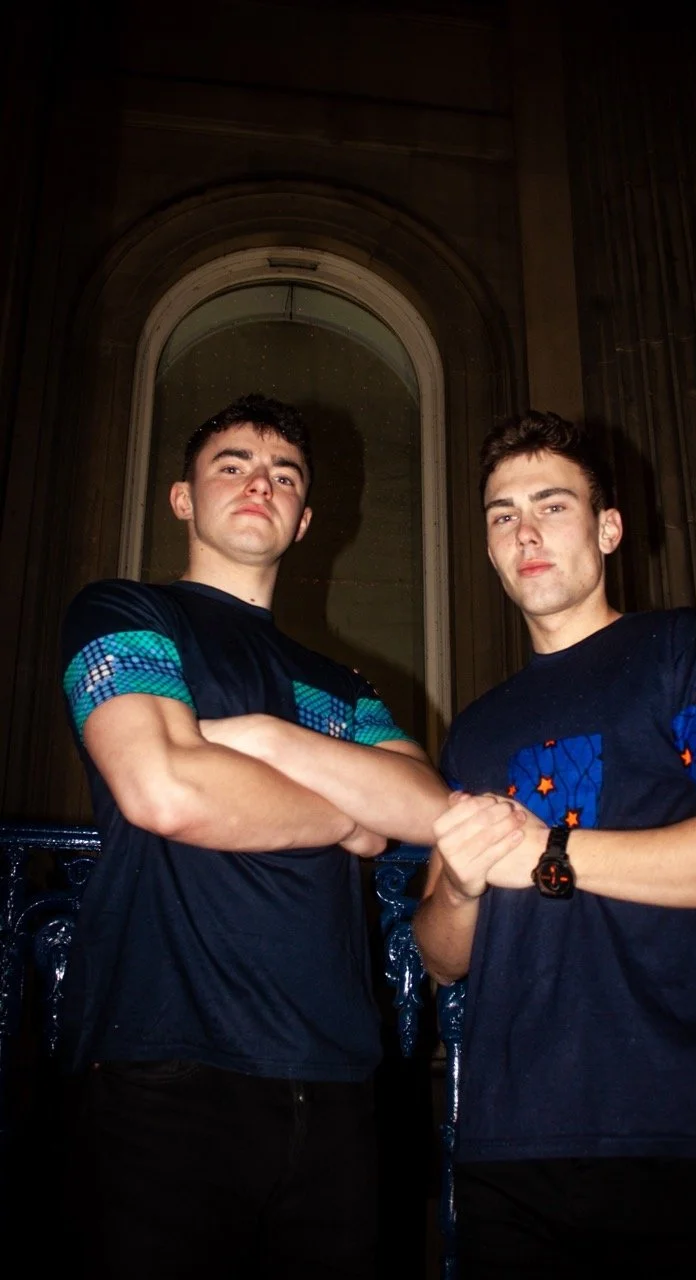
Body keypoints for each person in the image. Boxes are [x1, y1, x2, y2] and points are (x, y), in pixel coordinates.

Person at [413, 410, 696, 1278]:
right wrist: (462, 892)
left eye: (551, 506)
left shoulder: (683, 650)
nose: (524, 532)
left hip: (686, 1130)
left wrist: (551, 854)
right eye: (501, 515)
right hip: (509, 1143)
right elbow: (442, 959)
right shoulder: (475, 728)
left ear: (608, 529)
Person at [59, 393, 449, 1280]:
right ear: (183, 498)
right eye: (230, 466)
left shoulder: (340, 683)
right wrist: (349, 815)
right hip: (162, 1064)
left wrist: (264, 740)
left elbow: (428, 808)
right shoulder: (125, 613)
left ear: (304, 519)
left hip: (339, 1077)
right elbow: (164, 788)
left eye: (283, 475)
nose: (258, 483)